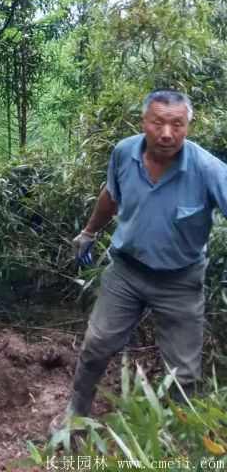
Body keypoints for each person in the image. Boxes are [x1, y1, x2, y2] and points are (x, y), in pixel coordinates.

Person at [52, 89, 227, 432]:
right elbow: (111, 194)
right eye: (158, 122)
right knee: (96, 345)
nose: (167, 133)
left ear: (188, 126)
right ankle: (76, 413)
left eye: (177, 124)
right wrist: (89, 232)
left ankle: (179, 438)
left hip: (180, 281)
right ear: (143, 121)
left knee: (184, 372)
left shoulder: (207, 169)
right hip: (126, 272)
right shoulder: (124, 152)